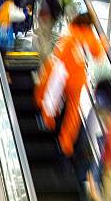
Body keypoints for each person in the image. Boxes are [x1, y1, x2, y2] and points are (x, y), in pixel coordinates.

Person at [34, 13, 105, 157]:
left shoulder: (69, 30)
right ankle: (65, 144)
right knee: (73, 111)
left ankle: (47, 119)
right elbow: (98, 54)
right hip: (75, 77)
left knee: (49, 97)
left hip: (55, 71)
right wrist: (103, 42)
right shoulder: (87, 34)